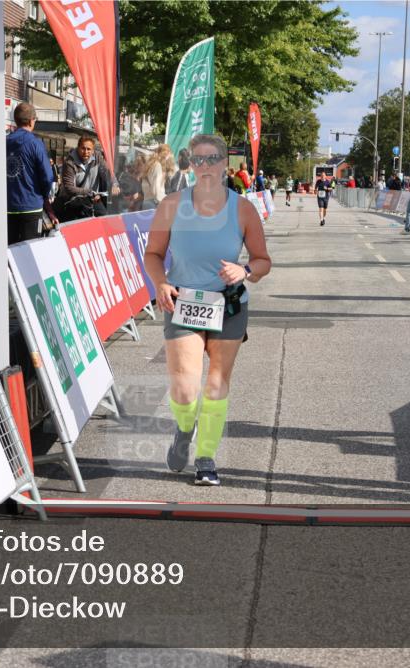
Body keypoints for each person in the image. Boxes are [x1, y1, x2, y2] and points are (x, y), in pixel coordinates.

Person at [143, 133, 271, 486]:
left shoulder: (242, 208)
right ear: (191, 164)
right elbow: (153, 254)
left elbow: (263, 261)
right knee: (185, 389)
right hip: (183, 302)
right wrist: (161, 284)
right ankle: (185, 428)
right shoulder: (171, 204)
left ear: (224, 163)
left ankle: (206, 459)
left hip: (228, 305)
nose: (206, 166)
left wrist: (244, 271)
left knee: (216, 384)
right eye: (198, 160)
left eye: (213, 158)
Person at [6, 102, 55, 243]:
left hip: (8, 206)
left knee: (9, 252)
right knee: (30, 250)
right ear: (31, 120)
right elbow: (47, 176)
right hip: (31, 206)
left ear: (16, 120)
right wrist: (45, 196)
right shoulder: (36, 143)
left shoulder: (3, 142)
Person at [56, 136, 119, 222]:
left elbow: (108, 172)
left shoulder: (97, 157)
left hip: (92, 200)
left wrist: (114, 184)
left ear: (93, 150)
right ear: (78, 148)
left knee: (105, 219)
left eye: (89, 149)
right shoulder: (70, 163)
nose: (86, 152)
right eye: (83, 148)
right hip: (73, 201)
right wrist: (89, 192)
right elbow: (69, 188)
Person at [141, 143, 176, 209]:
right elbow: (156, 191)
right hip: (154, 204)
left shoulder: (151, 164)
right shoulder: (157, 166)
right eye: (169, 156)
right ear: (166, 155)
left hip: (147, 202)